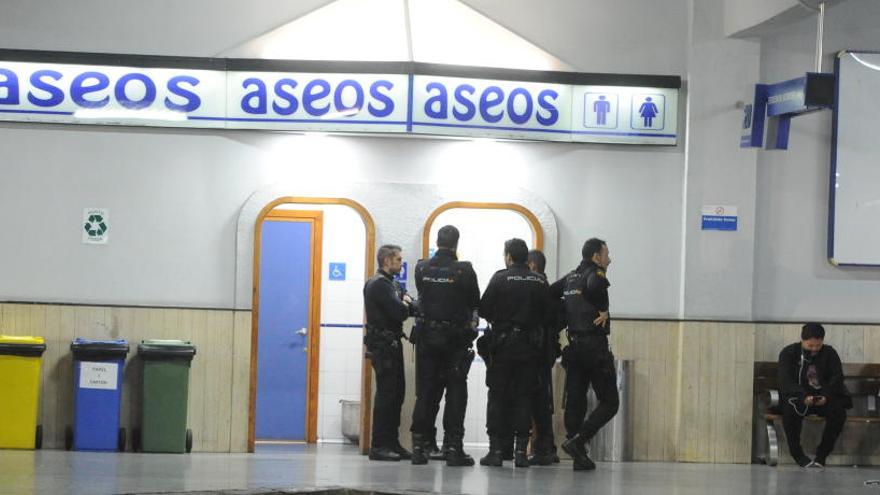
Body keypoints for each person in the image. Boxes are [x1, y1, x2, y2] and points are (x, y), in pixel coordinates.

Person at [409, 225, 480, 466]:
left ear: (437, 242)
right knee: (456, 392)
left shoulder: (422, 267)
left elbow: (422, 293)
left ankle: (419, 447)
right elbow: (474, 300)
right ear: (456, 244)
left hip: (427, 339)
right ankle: (453, 448)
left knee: (426, 393)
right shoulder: (465, 270)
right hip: (455, 341)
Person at [477, 239, 550, 468]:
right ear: (526, 258)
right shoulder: (539, 281)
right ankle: (520, 452)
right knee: (524, 398)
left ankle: (496, 451)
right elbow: (550, 314)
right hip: (530, 350)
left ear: (508, 256)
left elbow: (484, 309)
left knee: (497, 396)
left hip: (503, 348)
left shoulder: (500, 278)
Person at [551, 238, 618, 471]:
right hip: (594, 348)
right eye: (606, 254)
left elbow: (551, 293)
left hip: (575, 347)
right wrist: (603, 309)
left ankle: (577, 450)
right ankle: (579, 441)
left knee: (576, 401)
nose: (609, 259)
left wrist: (565, 314)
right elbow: (595, 286)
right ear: (596, 257)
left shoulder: (570, 277)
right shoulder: (596, 274)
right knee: (610, 402)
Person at [363, 244, 415, 461]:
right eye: (398, 260)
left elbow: (411, 304)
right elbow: (400, 311)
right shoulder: (379, 285)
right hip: (383, 346)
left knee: (397, 394)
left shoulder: (391, 283)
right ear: (387, 261)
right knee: (386, 395)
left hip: (392, 344)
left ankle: (392, 442)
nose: (401, 263)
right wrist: (404, 303)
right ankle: (379, 446)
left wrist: (406, 302)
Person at [778, 323, 851, 468]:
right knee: (789, 410)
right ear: (802, 340)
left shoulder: (829, 353)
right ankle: (797, 455)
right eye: (810, 345)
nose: (814, 349)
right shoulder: (789, 353)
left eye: (818, 345)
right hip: (798, 398)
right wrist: (803, 396)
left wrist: (825, 396)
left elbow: (836, 378)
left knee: (838, 412)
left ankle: (821, 455)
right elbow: (785, 380)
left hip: (822, 399)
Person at [526, 249, 565, 465]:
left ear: (532, 265)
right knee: (542, 400)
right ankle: (546, 447)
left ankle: (542, 447)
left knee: (537, 401)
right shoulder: (550, 291)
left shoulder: (537, 289)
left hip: (536, 352)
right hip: (546, 350)